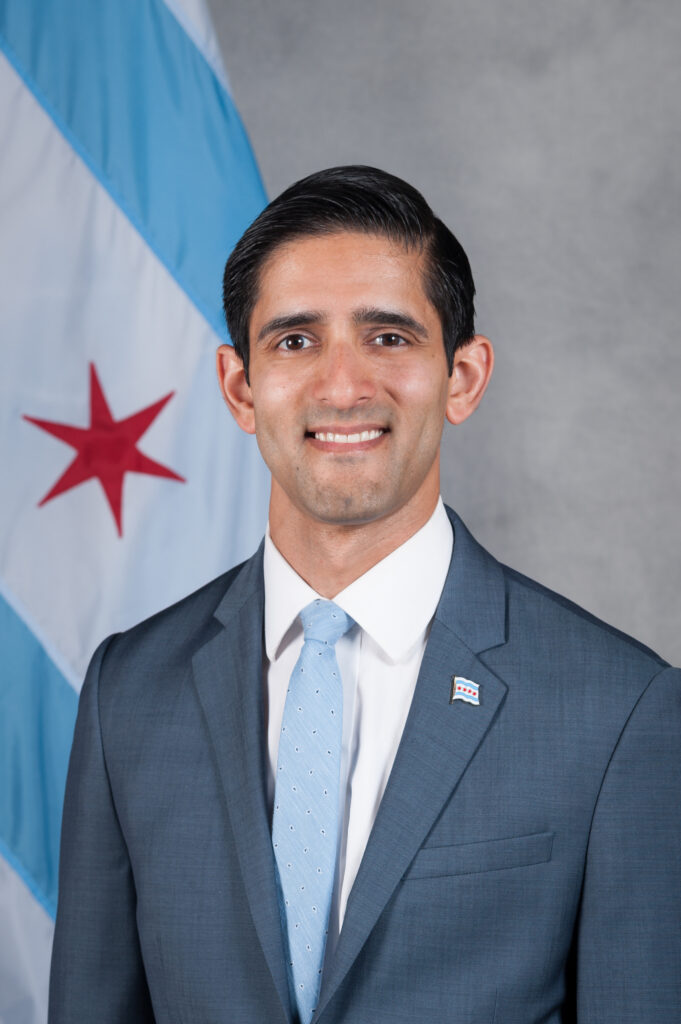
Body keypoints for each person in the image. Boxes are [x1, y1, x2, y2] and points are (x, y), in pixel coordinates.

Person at [49, 166, 680, 1024]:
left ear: (462, 376)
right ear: (240, 386)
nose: (342, 386)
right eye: (295, 342)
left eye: (388, 338)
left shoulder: (616, 708)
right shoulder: (129, 691)